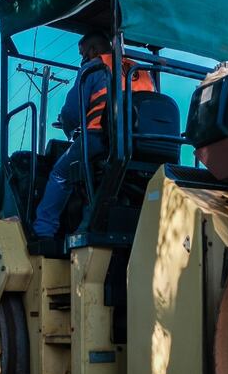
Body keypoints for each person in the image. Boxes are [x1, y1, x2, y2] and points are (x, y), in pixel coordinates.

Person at [32, 32, 155, 238]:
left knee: (60, 174)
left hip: (100, 139)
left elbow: (72, 111)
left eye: (83, 53)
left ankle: (43, 231)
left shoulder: (94, 68)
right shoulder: (140, 70)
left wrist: (68, 127)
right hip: (143, 143)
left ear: (93, 50)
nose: (82, 59)